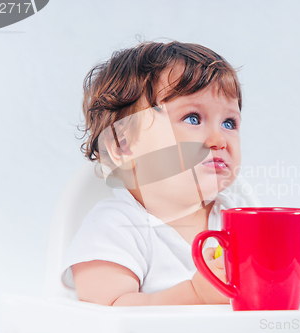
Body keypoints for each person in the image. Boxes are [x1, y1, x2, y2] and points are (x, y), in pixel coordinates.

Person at [60, 40, 247, 306]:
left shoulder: (239, 215)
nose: (219, 138)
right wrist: (196, 295)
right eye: (193, 118)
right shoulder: (115, 226)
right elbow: (110, 312)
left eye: (229, 122)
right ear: (123, 146)